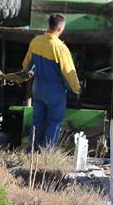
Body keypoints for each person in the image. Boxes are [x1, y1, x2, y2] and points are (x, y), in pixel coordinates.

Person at [22, 14, 81, 151]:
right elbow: (69, 73)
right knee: (53, 123)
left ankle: (32, 151)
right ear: (60, 28)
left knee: (37, 120)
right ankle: (46, 154)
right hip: (54, 91)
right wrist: (77, 89)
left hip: (37, 89)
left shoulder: (35, 41)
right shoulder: (60, 48)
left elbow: (26, 65)